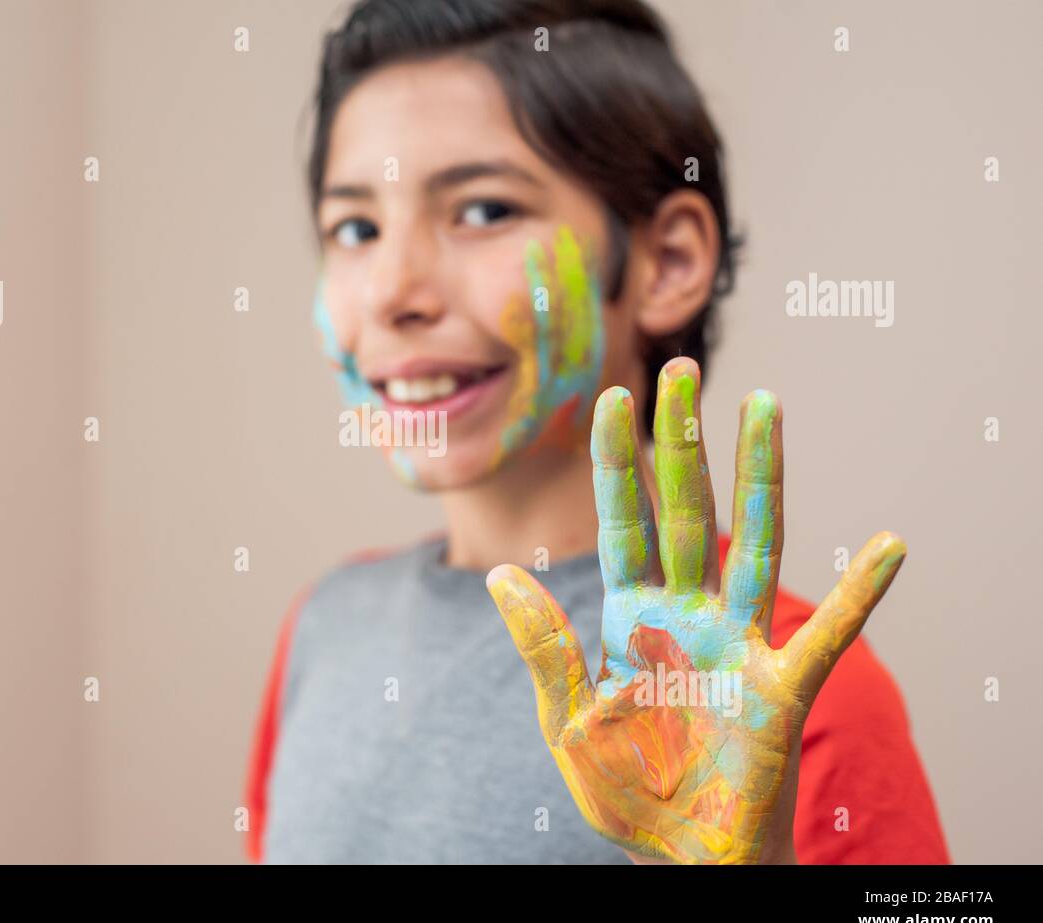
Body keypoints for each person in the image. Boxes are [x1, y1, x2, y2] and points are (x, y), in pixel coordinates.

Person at [244, 0, 949, 864]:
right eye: (355, 228)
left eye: (483, 210)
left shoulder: (789, 684)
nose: (393, 290)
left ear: (668, 262)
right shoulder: (325, 625)